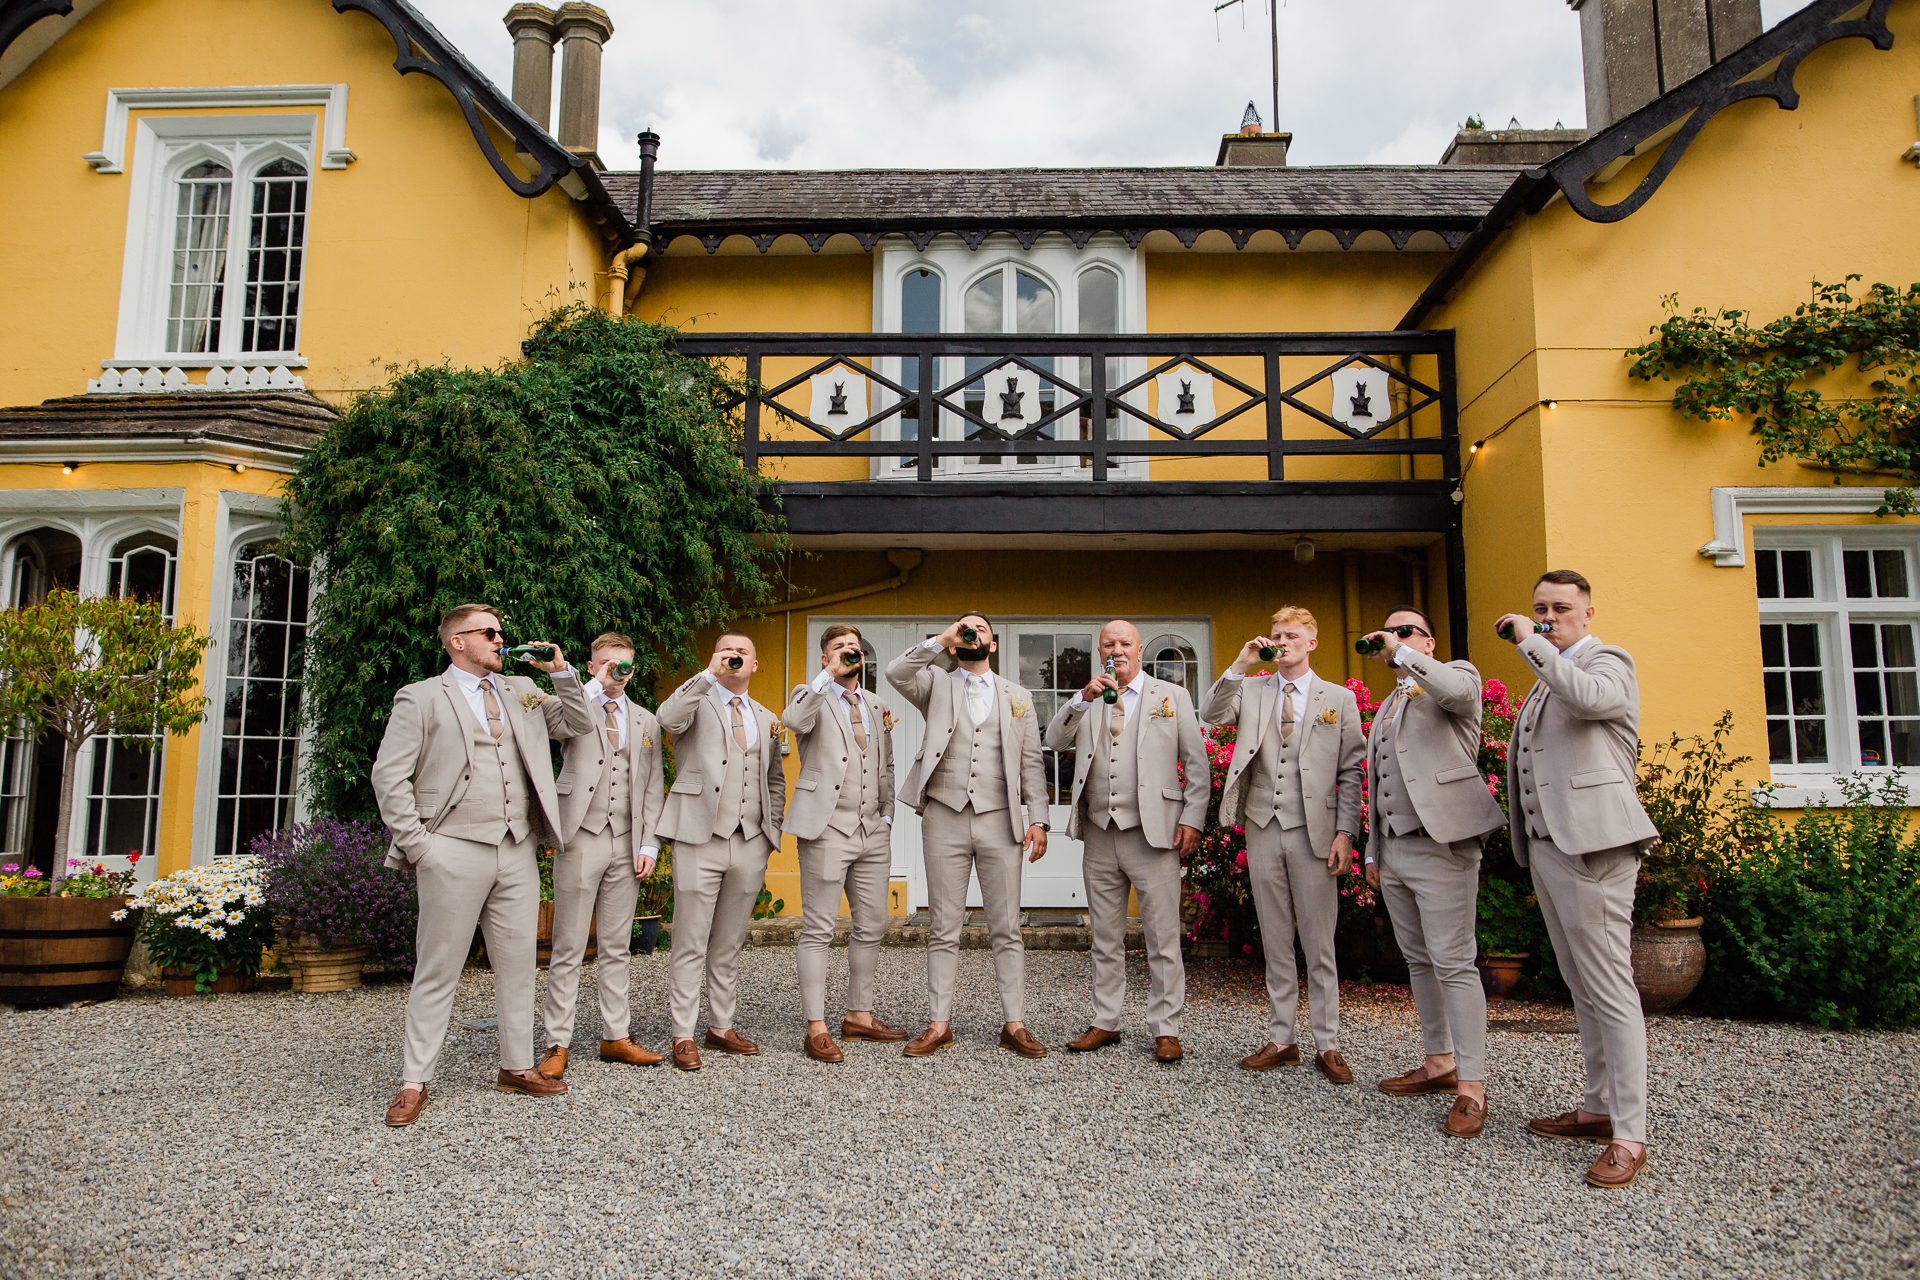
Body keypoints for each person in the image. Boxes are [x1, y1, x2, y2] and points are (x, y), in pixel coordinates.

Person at [371, 604, 594, 1126]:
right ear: (458, 642)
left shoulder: (521, 690)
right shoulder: (421, 696)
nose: (500, 639)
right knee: (438, 968)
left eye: (501, 632)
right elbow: (388, 776)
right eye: (489, 632)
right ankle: (414, 1080)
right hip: (452, 847)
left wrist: (561, 671)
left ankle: (516, 1066)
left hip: (516, 847)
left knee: (518, 965)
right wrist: (421, 846)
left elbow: (580, 723)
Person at [1497, 570, 1660, 1188]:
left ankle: (1630, 1133)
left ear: (1588, 613)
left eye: (1561, 608)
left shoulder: (1608, 660)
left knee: (1610, 987)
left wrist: (1529, 642)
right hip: (1551, 847)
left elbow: (1591, 701)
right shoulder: (1549, 675)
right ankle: (1597, 1107)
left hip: (1595, 847)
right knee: (1581, 983)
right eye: (1540, 608)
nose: (1548, 618)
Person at [1356, 607, 1507, 1137]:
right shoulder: (1388, 705)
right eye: (1389, 631)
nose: (1394, 639)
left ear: (1430, 641)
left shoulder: (1458, 675)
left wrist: (1399, 652)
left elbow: (1461, 696)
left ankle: (1473, 1087)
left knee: (1454, 962)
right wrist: (1373, 852)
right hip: (1395, 850)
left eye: (1406, 631)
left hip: (1442, 846)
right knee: (1418, 960)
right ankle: (1438, 1060)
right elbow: (1377, 785)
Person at [1200, 606, 1364, 1081]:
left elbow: (1351, 770)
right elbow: (1211, 715)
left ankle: (1328, 1043)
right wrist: (1241, 663)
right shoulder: (1252, 688)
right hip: (1263, 824)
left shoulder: (1339, 698)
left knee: (1319, 940)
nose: (1282, 642)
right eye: (1276, 635)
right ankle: (1281, 1038)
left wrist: (1345, 832)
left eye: (1291, 635)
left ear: (1312, 642)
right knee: (1274, 937)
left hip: (1315, 830)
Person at [1043, 620, 1209, 1063]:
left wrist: (1192, 820)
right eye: (1108, 644)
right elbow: (1053, 740)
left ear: (1138, 649)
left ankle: (1166, 1028)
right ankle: (1106, 1021)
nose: (1116, 650)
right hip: (1099, 833)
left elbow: (1197, 765)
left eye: (1124, 643)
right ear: (1100, 652)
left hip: (1153, 834)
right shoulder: (1089, 698)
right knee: (1105, 936)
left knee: (1162, 936)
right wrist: (1082, 699)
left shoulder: (1172, 697)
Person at [886, 613, 1050, 1059]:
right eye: (964, 630)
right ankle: (939, 1024)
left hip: (1001, 818)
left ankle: (1014, 1024)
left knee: (1008, 926)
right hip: (944, 814)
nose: (972, 635)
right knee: (943, 924)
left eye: (979, 630)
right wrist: (941, 640)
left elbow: (1032, 763)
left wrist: (1039, 819)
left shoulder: (1018, 697)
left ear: (993, 645)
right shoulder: (935, 683)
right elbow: (894, 672)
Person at [534, 633, 667, 1079]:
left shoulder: (646, 720)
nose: (617, 671)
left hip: (626, 840)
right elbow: (556, 727)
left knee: (617, 946)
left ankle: (616, 1035)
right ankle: (557, 1042)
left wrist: (649, 842)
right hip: (580, 835)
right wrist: (590, 685)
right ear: (590, 667)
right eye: (607, 663)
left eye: (624, 664)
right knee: (569, 945)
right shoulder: (572, 702)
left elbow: (651, 784)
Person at [655, 631, 787, 1071]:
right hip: (698, 835)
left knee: (729, 941)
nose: (735, 657)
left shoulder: (768, 716)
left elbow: (774, 780)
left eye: (743, 653)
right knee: (690, 939)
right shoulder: (697, 699)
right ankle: (682, 1033)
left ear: (755, 665)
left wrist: (772, 832)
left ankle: (721, 1026)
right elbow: (667, 718)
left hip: (750, 841)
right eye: (726, 651)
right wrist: (708, 674)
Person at [780, 624, 908, 1062]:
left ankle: (859, 1015)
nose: (849, 652)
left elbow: (886, 763)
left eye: (854, 648)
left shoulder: (875, 703)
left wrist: (887, 815)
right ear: (824, 658)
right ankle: (815, 1027)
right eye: (838, 648)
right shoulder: (809, 695)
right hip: (826, 828)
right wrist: (827, 677)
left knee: (872, 926)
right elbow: (793, 722)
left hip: (872, 830)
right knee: (818, 929)